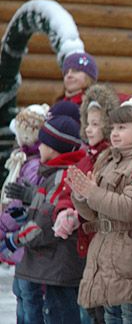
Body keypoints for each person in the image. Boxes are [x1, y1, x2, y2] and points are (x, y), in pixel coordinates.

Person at [68, 97, 132, 324]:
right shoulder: (108, 159)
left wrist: (93, 193)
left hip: (131, 255)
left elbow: (131, 208)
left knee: (130, 316)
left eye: (122, 127)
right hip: (105, 253)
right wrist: (82, 196)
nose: (114, 133)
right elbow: (93, 214)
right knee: (110, 316)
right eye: (113, 127)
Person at [3, 114, 86, 324]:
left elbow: (45, 226)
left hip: (56, 266)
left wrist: (14, 240)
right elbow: (44, 208)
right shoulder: (52, 175)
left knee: (59, 315)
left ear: (53, 147)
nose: (38, 147)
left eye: (42, 143)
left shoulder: (61, 176)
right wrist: (26, 211)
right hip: (49, 266)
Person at [52, 83, 121, 324]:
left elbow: (102, 200)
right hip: (84, 247)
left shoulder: (109, 157)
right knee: (89, 310)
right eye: (87, 123)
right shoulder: (85, 157)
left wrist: (79, 206)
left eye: (96, 124)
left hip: (104, 247)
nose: (90, 129)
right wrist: (64, 211)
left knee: (100, 312)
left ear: (109, 124)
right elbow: (66, 190)